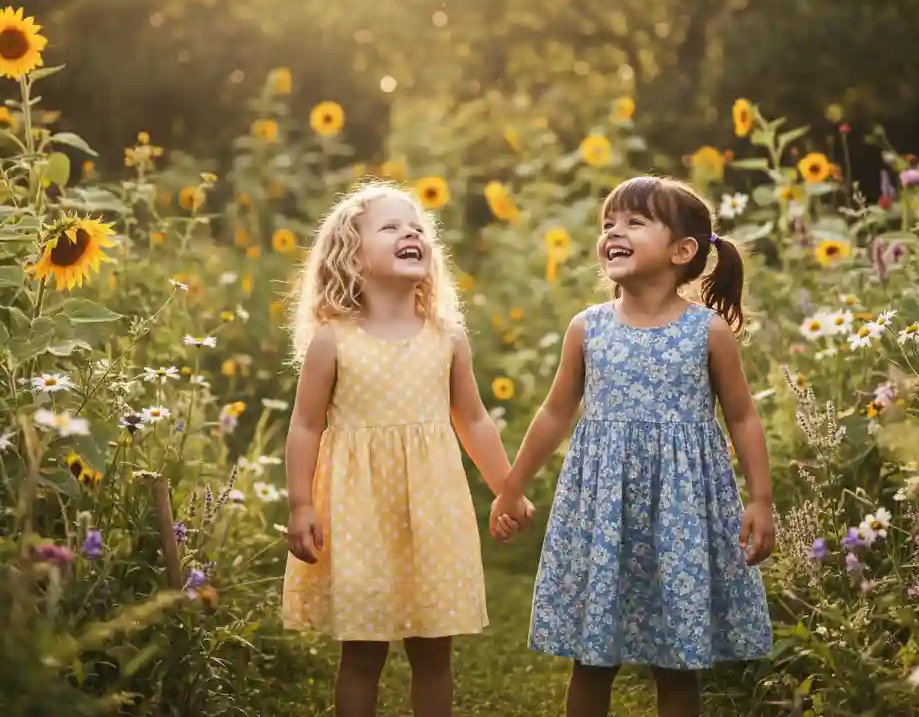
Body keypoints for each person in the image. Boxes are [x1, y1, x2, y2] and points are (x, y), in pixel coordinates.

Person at [490, 175, 774, 717]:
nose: (613, 232)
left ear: (682, 251)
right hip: (603, 512)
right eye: (608, 223)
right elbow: (554, 413)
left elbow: (743, 416)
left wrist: (760, 501)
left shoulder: (707, 331)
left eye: (634, 222)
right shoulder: (588, 328)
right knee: (592, 659)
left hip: (682, 514)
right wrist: (512, 487)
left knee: (677, 661)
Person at [282, 182, 531, 717]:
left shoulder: (446, 337)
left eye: (417, 226)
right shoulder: (333, 340)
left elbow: (474, 419)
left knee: (434, 651)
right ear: (352, 255)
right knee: (362, 656)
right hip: (360, 516)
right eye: (391, 227)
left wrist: (506, 489)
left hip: (431, 512)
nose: (411, 233)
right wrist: (301, 503)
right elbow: (305, 425)